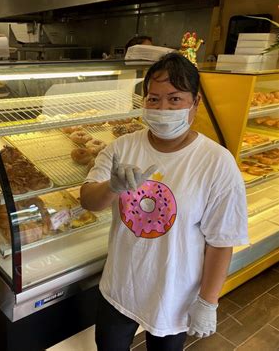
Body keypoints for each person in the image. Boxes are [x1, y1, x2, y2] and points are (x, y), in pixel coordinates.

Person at [81, 52, 248, 351]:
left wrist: (208, 301)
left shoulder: (216, 162)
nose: (162, 108)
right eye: (153, 99)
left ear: (195, 102)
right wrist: (112, 187)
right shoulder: (122, 147)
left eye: (174, 99)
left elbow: (222, 241)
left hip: (174, 293)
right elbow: (89, 201)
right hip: (121, 285)